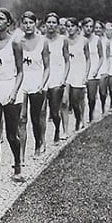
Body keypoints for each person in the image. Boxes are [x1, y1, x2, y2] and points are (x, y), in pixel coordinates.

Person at [0, 8, 24, 186]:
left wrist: (14, 92)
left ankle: (17, 165)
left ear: (8, 22)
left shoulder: (15, 43)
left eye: (2, 19)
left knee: (11, 135)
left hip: (11, 89)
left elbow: (20, 72)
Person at [19, 11, 50, 160]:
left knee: (35, 118)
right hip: (22, 81)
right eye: (25, 23)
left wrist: (42, 85)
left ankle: (38, 144)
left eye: (31, 22)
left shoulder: (43, 41)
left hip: (37, 81)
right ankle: (21, 154)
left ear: (36, 23)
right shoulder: (18, 41)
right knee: (22, 117)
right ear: (21, 24)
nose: (28, 26)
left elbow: (47, 67)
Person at [45, 12, 70, 143]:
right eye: (49, 22)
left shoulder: (63, 40)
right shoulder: (41, 39)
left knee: (55, 110)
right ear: (45, 24)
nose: (51, 25)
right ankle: (41, 141)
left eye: (54, 22)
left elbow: (67, 60)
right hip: (44, 77)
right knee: (43, 110)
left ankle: (58, 129)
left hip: (58, 77)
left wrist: (64, 78)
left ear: (58, 24)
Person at [66, 18, 90, 131]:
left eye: (72, 26)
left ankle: (79, 119)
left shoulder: (84, 41)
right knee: (67, 100)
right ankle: (75, 121)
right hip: (67, 72)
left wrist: (86, 74)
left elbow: (88, 58)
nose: (70, 28)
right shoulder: (64, 40)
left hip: (79, 72)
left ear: (77, 27)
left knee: (76, 100)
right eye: (68, 26)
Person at [83, 18, 103, 122]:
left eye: (91, 26)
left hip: (93, 72)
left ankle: (91, 113)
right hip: (81, 71)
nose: (89, 29)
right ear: (83, 27)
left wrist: (97, 69)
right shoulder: (80, 39)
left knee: (91, 97)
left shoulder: (97, 39)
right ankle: (80, 118)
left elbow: (101, 56)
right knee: (79, 98)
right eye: (87, 26)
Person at [94, 20, 109, 114]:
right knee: (92, 93)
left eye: (100, 28)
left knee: (102, 92)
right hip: (93, 68)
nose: (98, 30)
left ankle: (103, 106)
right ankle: (92, 112)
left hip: (103, 67)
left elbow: (107, 56)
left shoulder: (106, 41)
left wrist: (108, 69)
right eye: (96, 28)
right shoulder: (91, 40)